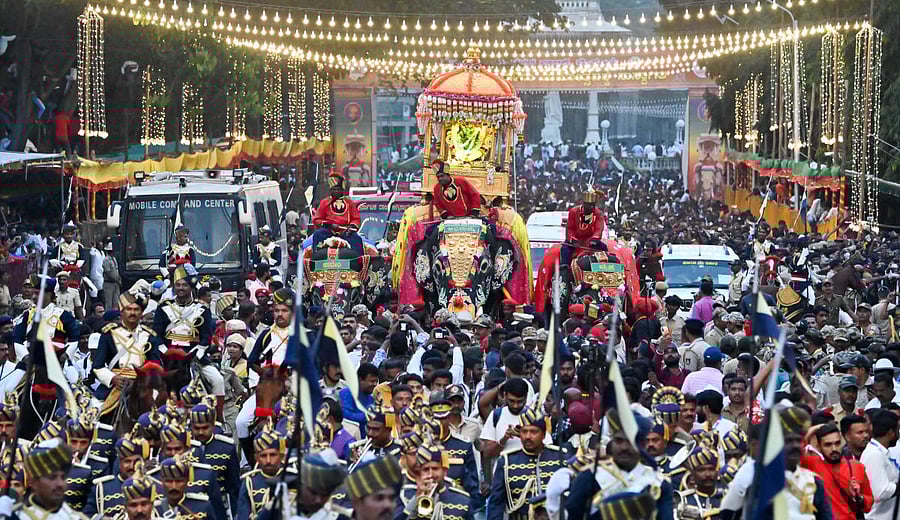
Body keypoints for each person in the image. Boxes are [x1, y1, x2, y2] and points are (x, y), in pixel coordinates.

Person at [566, 409, 674, 520]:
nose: (624, 447)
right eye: (619, 441)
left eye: (630, 441)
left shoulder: (658, 482)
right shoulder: (590, 477)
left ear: (642, 445)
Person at [152, 266, 223, 420]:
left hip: (193, 354)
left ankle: (219, 419)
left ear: (191, 287)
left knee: (217, 379)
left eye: (184, 285)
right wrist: (164, 351)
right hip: (167, 355)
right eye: (178, 285)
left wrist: (197, 353)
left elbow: (206, 336)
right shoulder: (163, 307)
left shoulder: (202, 309)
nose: (181, 288)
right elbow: (156, 333)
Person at [93, 282, 163, 422]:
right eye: (128, 309)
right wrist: (113, 378)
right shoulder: (108, 334)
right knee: (95, 416)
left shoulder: (150, 336)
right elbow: (98, 366)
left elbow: (155, 365)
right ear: (121, 312)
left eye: (136, 309)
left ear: (141, 313)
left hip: (142, 385)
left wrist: (146, 380)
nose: (132, 313)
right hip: (116, 385)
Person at [488, 406, 566, 520]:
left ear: (543, 435)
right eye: (524, 432)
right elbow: (496, 503)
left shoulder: (560, 457)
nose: (528, 437)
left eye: (534, 432)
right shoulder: (506, 461)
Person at [802, 422, 873, 520]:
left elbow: (868, 504)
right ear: (818, 447)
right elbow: (793, 451)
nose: (834, 449)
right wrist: (812, 430)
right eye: (828, 445)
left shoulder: (857, 466)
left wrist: (858, 497)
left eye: (837, 443)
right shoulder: (814, 464)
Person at [395, 436, 471, 520]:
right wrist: (415, 499)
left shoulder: (462, 499)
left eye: (435, 469)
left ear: (444, 470)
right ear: (419, 473)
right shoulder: (404, 496)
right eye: (425, 469)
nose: (430, 474)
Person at [13, 439, 88, 520]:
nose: (60, 483)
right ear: (33, 482)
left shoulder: (77, 518)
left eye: (63, 477)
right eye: (52, 478)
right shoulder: (16, 516)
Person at [237, 428, 287, 520]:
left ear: (281, 455)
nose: (268, 461)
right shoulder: (249, 483)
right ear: (256, 458)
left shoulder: (291, 478)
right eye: (263, 456)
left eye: (273, 455)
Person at [860, 409, 900, 520]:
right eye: (897, 430)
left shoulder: (882, 452)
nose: (898, 434)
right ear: (891, 433)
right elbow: (881, 492)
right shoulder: (874, 454)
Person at [312, 173, 363, 254]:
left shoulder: (349, 203)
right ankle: (317, 257)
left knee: (356, 239)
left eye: (338, 189)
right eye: (334, 189)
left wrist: (351, 227)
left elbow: (356, 219)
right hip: (328, 230)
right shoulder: (324, 202)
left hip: (345, 231)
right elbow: (317, 219)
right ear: (330, 190)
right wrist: (330, 225)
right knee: (318, 234)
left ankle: (357, 260)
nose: (336, 191)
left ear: (342, 190)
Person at [156, 455, 217, 519]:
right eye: (169, 481)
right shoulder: (155, 508)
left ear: (187, 481)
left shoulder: (202, 506)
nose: (174, 486)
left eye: (179, 481)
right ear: (162, 482)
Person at [676, 446, 726, 518]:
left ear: (717, 472)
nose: (708, 474)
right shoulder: (683, 501)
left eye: (711, 469)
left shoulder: (727, 497)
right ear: (693, 474)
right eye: (701, 470)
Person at [562, 189, 607, 267]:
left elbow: (599, 229)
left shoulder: (598, 213)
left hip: (590, 240)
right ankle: (564, 268)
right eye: (589, 205)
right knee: (565, 249)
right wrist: (573, 240)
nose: (592, 207)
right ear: (583, 203)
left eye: (593, 205)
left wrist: (594, 239)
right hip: (576, 239)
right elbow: (570, 228)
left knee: (604, 248)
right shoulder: (573, 211)